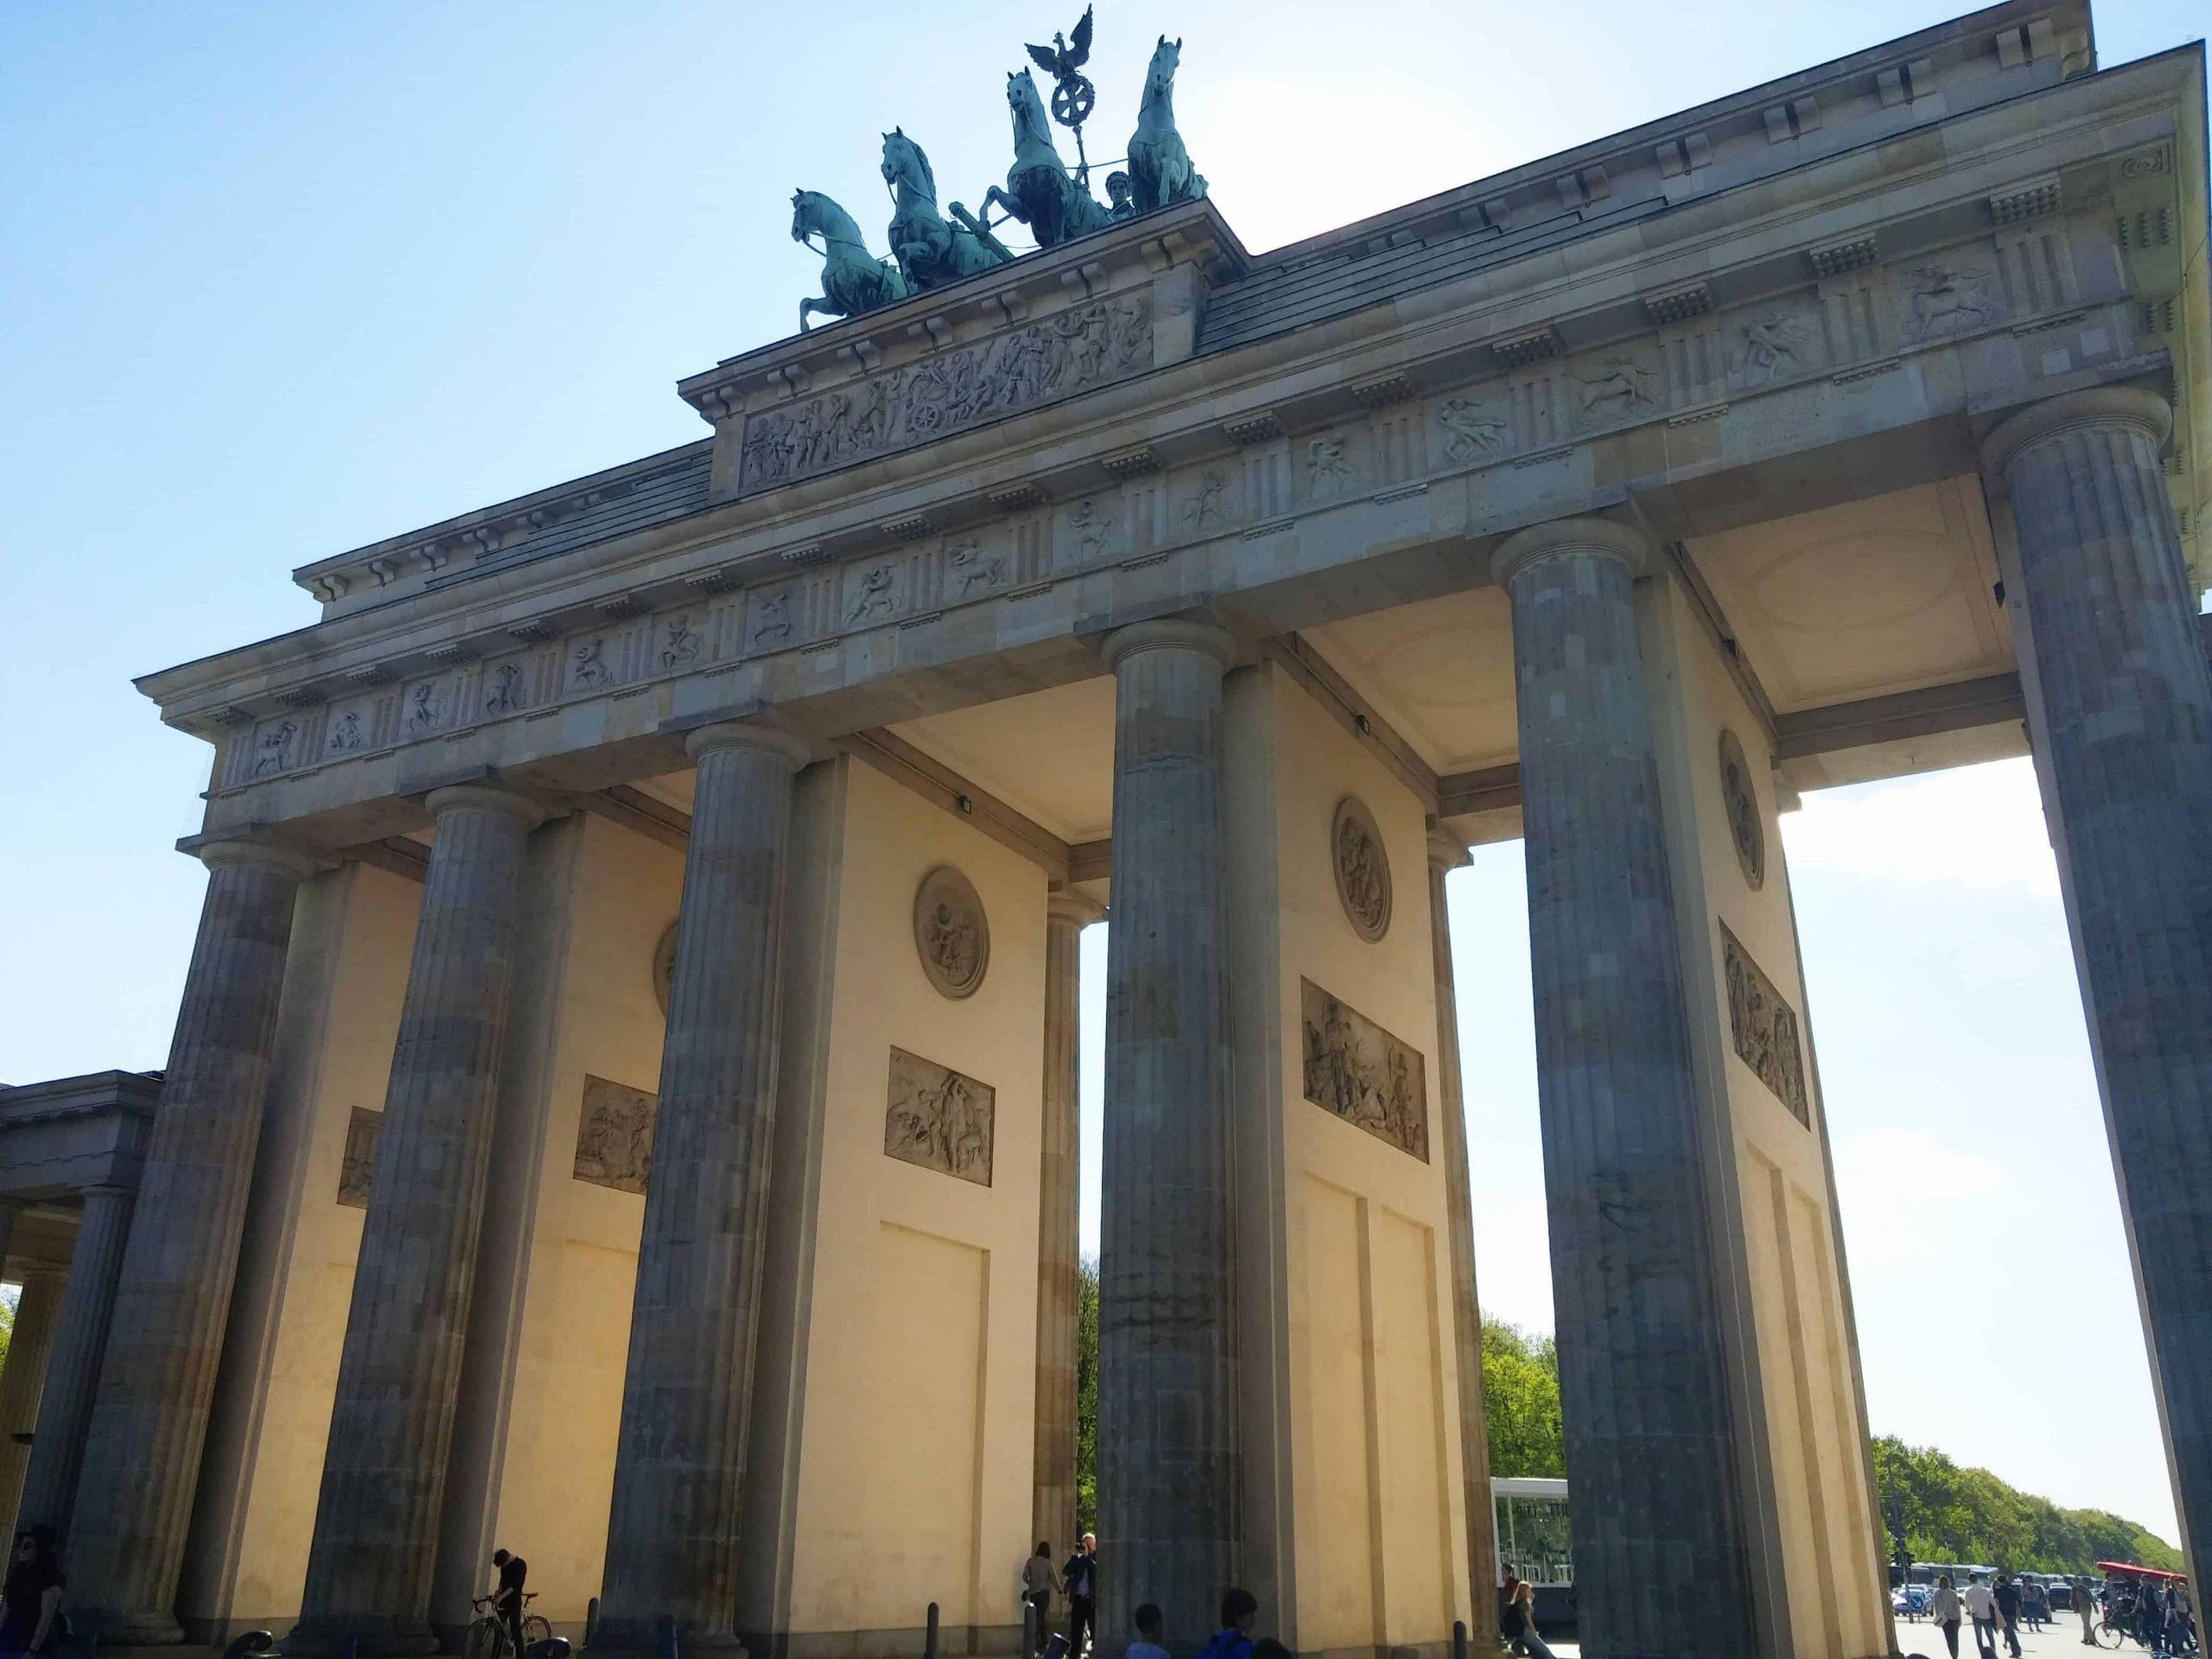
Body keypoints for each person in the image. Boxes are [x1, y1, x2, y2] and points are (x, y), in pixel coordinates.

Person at [0, 1529, 64, 1659]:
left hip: (28, 1641)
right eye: (21, 1546)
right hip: (9, 1637)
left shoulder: (49, 1581)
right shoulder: (18, 1576)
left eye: (27, 1546)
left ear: (41, 1549)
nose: (21, 1550)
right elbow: (5, 1611)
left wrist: (33, 1650)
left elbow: (45, 1618)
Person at [1061, 1535, 1098, 1658]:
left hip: (1091, 1601)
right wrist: (1074, 1557)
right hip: (1078, 1599)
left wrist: (1087, 1557)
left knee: (1094, 1630)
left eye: (1087, 1545)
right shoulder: (1077, 1559)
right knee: (1076, 1631)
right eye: (1083, 1544)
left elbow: (1096, 1572)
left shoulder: (1094, 1558)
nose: (1084, 1547)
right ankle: (1074, 1655)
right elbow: (1066, 1571)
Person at [1194, 1589, 1258, 1659]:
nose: (1254, 1618)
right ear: (1239, 1615)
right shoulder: (1245, 1647)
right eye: (1251, 1613)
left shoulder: (1214, 1643)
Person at [1502, 1583, 1556, 1659]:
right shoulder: (1524, 1603)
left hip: (1513, 1633)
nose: (1531, 1592)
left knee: (1528, 1650)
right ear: (1524, 1592)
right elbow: (1529, 1621)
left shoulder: (1514, 1604)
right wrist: (1535, 1634)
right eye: (1529, 1590)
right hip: (1521, 1631)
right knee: (1543, 1649)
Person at [491, 1548, 528, 1656]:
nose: (503, 1567)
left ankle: (520, 1656)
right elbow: (502, 1581)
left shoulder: (520, 1565)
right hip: (504, 1600)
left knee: (515, 1629)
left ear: (508, 1559)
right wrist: (498, 1591)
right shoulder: (504, 1566)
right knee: (501, 1628)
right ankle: (496, 1654)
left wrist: (501, 1597)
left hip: (514, 1601)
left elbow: (515, 1586)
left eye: (503, 1564)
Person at [1022, 1543, 1061, 1643]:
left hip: (1033, 1593)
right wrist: (1060, 1592)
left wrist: (1031, 1582)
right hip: (1044, 1593)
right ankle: (1040, 1639)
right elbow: (1054, 1579)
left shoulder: (1030, 1562)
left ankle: (1041, 1640)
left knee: (1036, 1616)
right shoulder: (1048, 1563)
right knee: (1040, 1616)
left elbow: (1024, 1577)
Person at [1964, 1573, 1999, 1659]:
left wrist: (1969, 1611)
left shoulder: (1968, 1591)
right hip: (1986, 1615)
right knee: (1990, 1636)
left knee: (1979, 1637)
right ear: (1977, 1580)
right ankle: (1993, 1654)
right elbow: (1993, 1603)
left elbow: (1967, 1605)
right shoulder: (1985, 1591)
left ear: (1969, 1581)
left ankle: (1983, 1655)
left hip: (1976, 1616)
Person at [1930, 1573, 1963, 1659]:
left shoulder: (1936, 1593)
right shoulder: (1953, 1593)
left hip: (1944, 1620)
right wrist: (1960, 1619)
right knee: (1955, 1638)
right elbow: (1957, 1607)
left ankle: (1952, 1654)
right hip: (1954, 1618)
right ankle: (1956, 1655)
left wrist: (1938, 1615)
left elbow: (1936, 1606)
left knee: (1948, 1638)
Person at [1993, 1573, 2023, 1659]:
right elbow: (2018, 1603)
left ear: (1999, 1582)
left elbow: (1996, 1603)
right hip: (2012, 1613)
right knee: (2009, 1631)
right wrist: (2019, 1614)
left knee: (2010, 1632)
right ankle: (2015, 1649)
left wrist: (1995, 1614)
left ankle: (2016, 1650)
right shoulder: (2012, 1591)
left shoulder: (1998, 1591)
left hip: (2004, 1614)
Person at [2079, 1577, 2101, 1647]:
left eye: (2078, 1581)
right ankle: (2086, 1639)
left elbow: (2091, 1598)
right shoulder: (2074, 1589)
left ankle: (2092, 1640)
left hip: (2087, 1608)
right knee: (2085, 1624)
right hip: (2081, 1608)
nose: (2077, 1583)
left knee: (2086, 1623)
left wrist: (2096, 1608)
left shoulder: (2085, 1589)